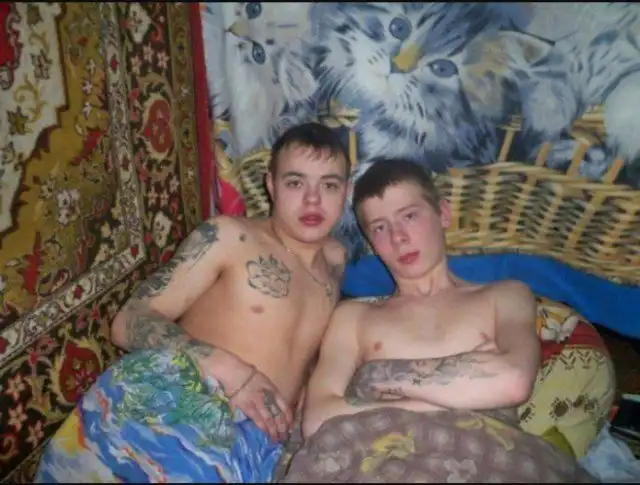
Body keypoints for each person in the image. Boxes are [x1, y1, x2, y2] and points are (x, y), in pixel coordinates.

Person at [35, 122, 351, 483]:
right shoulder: (231, 236)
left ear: (346, 191)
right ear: (271, 185)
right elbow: (128, 320)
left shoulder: (336, 260)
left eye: (329, 185)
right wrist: (233, 371)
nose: (312, 200)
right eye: (295, 183)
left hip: (255, 444)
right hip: (181, 403)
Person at [302, 157, 542, 439]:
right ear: (371, 243)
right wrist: (464, 389)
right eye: (380, 228)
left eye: (409, 216)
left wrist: (381, 377)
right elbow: (316, 419)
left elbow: (514, 381)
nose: (398, 237)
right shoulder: (353, 317)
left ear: (443, 213)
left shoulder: (505, 296)